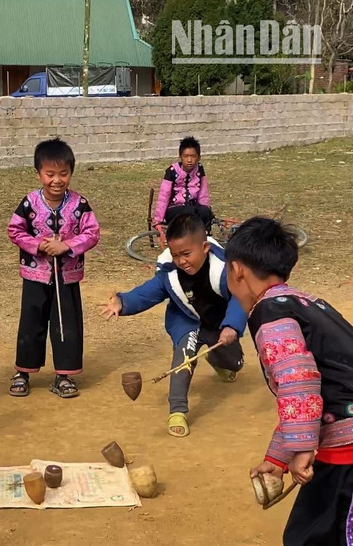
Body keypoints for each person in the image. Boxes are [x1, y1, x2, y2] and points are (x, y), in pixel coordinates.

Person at [225, 217, 353, 546]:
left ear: (237, 271)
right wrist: (277, 458)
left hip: (347, 455)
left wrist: (301, 449)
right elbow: (301, 397)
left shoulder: (270, 314)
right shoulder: (306, 303)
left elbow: (299, 383)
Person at [100, 213, 246, 437]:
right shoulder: (168, 273)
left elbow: (240, 298)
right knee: (184, 358)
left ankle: (216, 359)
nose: (181, 261)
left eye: (186, 254)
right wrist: (123, 302)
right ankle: (177, 410)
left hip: (219, 322)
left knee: (234, 363)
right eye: (176, 255)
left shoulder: (226, 270)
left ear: (205, 247)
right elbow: (146, 293)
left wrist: (232, 326)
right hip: (187, 322)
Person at [7, 138, 100, 399]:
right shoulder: (29, 203)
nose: (57, 180)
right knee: (31, 323)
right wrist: (38, 246)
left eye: (63, 173)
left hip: (66, 277)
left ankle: (64, 376)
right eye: (50, 174)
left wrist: (67, 246)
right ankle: (22, 372)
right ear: (38, 173)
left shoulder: (80, 204)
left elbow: (92, 233)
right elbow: (15, 230)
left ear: (71, 173)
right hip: (35, 275)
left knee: (66, 324)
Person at [152, 136, 213, 231]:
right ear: (180, 157)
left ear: (199, 157)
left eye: (193, 156)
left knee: (204, 211)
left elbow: (203, 193)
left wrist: (205, 210)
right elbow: (164, 196)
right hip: (174, 209)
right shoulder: (172, 171)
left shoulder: (199, 169)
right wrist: (158, 220)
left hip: (193, 208)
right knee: (189, 211)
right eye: (186, 156)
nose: (189, 160)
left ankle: (204, 235)